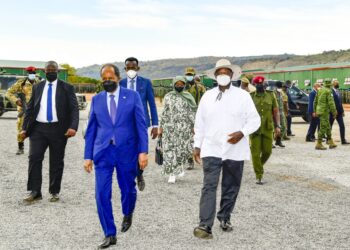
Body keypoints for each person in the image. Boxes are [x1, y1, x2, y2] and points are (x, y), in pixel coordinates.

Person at [193, 59, 260, 239]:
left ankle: (224, 217)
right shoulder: (207, 96)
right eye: (219, 72)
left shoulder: (242, 96)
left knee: (231, 186)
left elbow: (255, 120)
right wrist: (197, 145)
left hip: (234, 149)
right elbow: (199, 123)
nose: (223, 75)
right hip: (211, 148)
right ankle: (204, 225)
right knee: (209, 186)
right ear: (215, 76)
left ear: (232, 75)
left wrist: (242, 132)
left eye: (226, 72)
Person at [84, 63, 148, 249]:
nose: (107, 82)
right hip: (103, 153)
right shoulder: (97, 100)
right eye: (104, 79)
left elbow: (141, 126)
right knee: (101, 194)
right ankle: (109, 233)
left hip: (126, 152)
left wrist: (143, 151)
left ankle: (128, 212)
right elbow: (91, 130)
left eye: (110, 79)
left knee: (127, 189)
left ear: (118, 78)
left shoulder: (132, 96)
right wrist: (88, 156)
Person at [20, 61, 79, 203]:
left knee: (56, 161)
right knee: (34, 158)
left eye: (53, 70)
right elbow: (30, 109)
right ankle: (35, 192)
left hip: (59, 130)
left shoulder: (67, 88)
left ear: (57, 71)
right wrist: (24, 128)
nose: (51, 72)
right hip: (38, 129)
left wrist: (73, 127)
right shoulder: (37, 87)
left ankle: (54, 191)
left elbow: (74, 109)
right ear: (44, 71)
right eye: (48, 70)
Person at [119, 57, 158, 191]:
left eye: (133, 67)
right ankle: (130, 176)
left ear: (138, 68)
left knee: (141, 149)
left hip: (142, 122)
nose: (131, 70)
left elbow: (152, 104)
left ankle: (139, 175)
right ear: (125, 69)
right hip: (124, 123)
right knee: (127, 150)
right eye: (128, 68)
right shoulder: (120, 83)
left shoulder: (145, 83)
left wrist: (155, 125)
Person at [158, 76, 196, 183]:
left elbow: (192, 112)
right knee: (169, 150)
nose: (179, 86)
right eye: (177, 84)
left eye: (181, 84)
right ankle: (172, 174)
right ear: (174, 84)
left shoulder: (188, 96)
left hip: (184, 128)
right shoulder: (168, 96)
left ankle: (179, 168)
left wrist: (194, 126)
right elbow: (164, 113)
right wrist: (160, 127)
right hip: (170, 128)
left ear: (184, 85)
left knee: (182, 150)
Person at [250, 76, 281, 184]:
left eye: (262, 84)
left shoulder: (271, 95)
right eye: (258, 84)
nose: (260, 86)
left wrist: (278, 126)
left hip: (268, 127)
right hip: (254, 129)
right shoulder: (250, 97)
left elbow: (276, 111)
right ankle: (259, 174)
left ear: (264, 84)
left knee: (268, 151)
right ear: (254, 85)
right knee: (255, 153)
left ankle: (258, 165)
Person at [6, 66, 40, 155]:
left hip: (36, 110)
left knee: (37, 129)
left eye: (33, 73)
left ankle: (36, 148)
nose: (32, 75)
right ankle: (20, 148)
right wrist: (16, 100)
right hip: (23, 110)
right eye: (30, 73)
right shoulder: (21, 83)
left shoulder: (39, 83)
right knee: (21, 128)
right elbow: (9, 93)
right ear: (27, 74)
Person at [314, 79, 337, 150]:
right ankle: (319, 143)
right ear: (330, 85)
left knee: (328, 126)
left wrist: (315, 111)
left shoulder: (319, 90)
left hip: (319, 111)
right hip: (324, 112)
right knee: (323, 127)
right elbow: (331, 103)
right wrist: (334, 112)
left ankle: (330, 141)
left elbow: (315, 101)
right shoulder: (328, 91)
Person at [330, 80, 349, 145]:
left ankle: (343, 140)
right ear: (333, 84)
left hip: (339, 113)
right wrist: (334, 111)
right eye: (336, 83)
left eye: (338, 83)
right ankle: (328, 139)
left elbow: (340, 102)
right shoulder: (330, 92)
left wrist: (342, 111)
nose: (337, 84)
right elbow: (330, 103)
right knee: (330, 126)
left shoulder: (338, 91)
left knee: (342, 126)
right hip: (332, 113)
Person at [274, 81, 288, 147]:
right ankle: (272, 142)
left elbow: (284, 102)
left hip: (281, 112)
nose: (280, 88)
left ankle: (278, 140)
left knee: (283, 127)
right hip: (275, 112)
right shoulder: (273, 93)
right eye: (279, 87)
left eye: (281, 87)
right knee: (273, 128)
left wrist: (285, 111)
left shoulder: (281, 93)